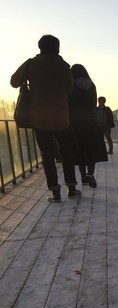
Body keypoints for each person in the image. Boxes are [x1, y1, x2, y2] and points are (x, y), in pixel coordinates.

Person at [10, 34, 80, 202]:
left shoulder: (31, 64)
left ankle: (55, 192)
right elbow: (70, 89)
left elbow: (14, 81)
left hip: (39, 118)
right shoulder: (64, 66)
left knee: (47, 156)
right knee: (66, 153)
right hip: (61, 117)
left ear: (40, 47)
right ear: (58, 47)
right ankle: (72, 188)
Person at [69, 64, 107, 188]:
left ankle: (83, 176)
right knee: (91, 150)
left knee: (80, 151)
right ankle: (90, 173)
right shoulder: (92, 85)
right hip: (91, 121)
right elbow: (93, 102)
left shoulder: (71, 85)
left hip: (75, 122)